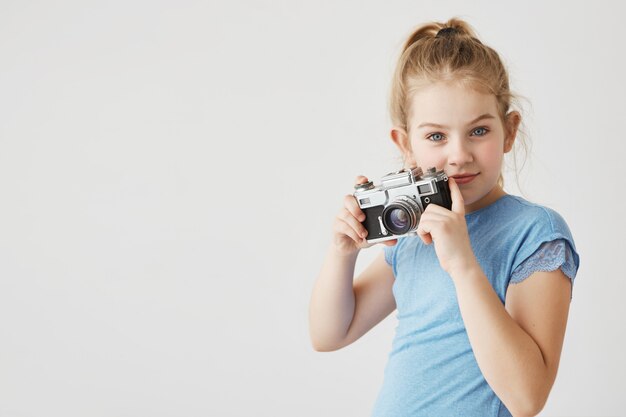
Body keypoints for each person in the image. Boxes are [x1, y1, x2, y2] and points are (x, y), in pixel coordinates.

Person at [308, 18, 580, 417]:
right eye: (436, 136)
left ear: (509, 131)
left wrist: (463, 265)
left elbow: (527, 398)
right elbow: (329, 334)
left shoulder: (536, 235)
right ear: (406, 145)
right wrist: (342, 252)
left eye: (479, 131)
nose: (459, 154)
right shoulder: (415, 235)